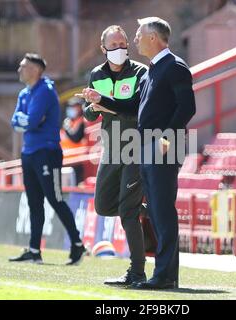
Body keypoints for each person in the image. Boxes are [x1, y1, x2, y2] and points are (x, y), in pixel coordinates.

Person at [79, 17, 196, 289]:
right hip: (146, 146)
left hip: (162, 145)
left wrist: (167, 136)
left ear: (153, 37)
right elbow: (132, 107)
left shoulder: (174, 67)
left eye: (138, 35)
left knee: (162, 211)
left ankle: (164, 275)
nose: (134, 40)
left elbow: (187, 107)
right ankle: (164, 274)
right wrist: (101, 100)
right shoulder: (155, 69)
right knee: (156, 210)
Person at [78, 25, 149, 286]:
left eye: (123, 44)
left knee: (127, 213)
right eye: (114, 45)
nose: (119, 49)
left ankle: (137, 273)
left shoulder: (141, 73)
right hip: (111, 149)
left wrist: (104, 103)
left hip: (134, 148)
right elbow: (91, 113)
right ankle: (150, 211)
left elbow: (134, 111)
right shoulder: (97, 74)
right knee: (103, 205)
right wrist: (90, 106)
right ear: (103, 48)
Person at [9, 53, 86, 265]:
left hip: (47, 152)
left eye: (23, 66)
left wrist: (26, 121)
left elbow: (30, 122)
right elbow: (14, 121)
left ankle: (77, 244)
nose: (19, 69)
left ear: (35, 70)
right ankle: (34, 250)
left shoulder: (45, 91)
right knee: (34, 202)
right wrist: (27, 121)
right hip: (29, 152)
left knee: (55, 198)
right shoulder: (24, 94)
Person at [60, 97, 87, 184]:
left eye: (75, 106)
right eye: (71, 106)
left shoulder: (82, 121)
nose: (72, 109)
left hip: (77, 161)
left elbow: (76, 138)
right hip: (65, 161)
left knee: (75, 187)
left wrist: (67, 128)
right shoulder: (68, 122)